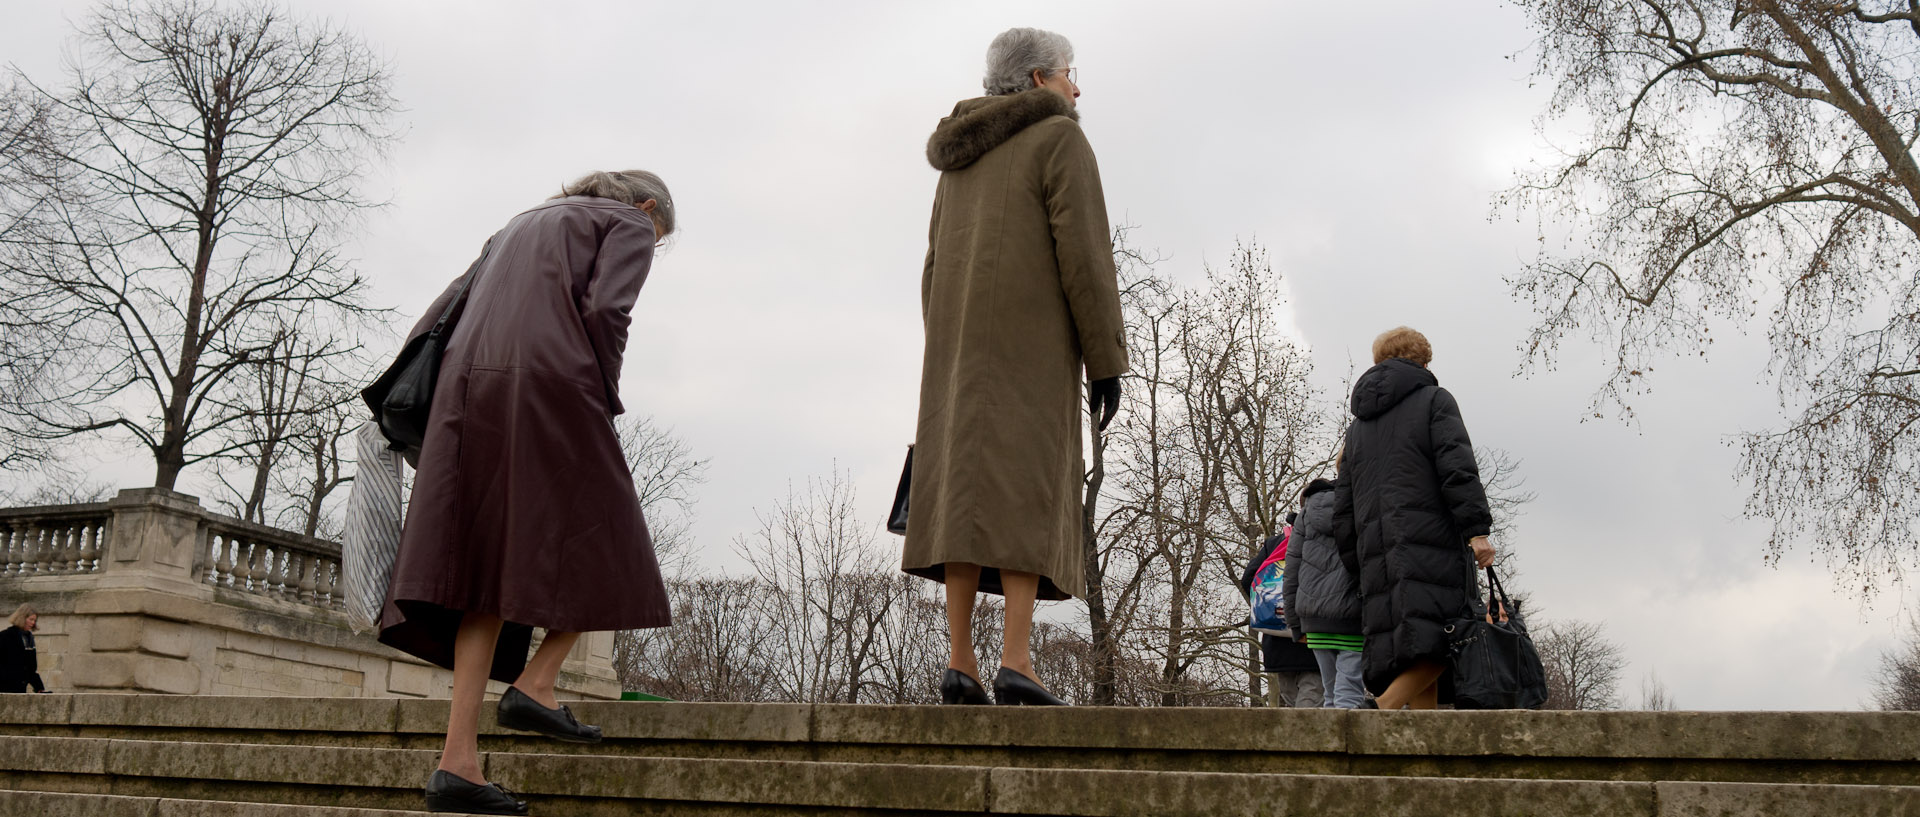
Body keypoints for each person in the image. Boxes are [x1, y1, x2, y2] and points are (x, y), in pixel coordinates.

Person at [380, 171, 676, 815]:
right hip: (551, 383)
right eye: (658, 235)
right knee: (612, 540)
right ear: (647, 207)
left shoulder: (517, 222)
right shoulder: (624, 222)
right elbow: (606, 310)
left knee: (483, 575)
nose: (651, 243)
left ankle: (457, 763)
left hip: (467, 390)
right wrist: (602, 389)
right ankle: (536, 683)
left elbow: (441, 310)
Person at [904, 27, 1128, 707]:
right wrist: (1105, 360)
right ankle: (1017, 659)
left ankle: (960, 661)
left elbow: (933, 265)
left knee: (961, 500)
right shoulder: (1059, 139)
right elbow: (1084, 256)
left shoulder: (959, 158)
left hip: (956, 354)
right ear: (1037, 80)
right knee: (1025, 490)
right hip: (1031, 348)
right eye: (1069, 73)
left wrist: (945, 341)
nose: (1076, 86)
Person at [1333, 327, 1495, 711]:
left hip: (1377, 555)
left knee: (1415, 644)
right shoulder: (1434, 400)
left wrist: (1358, 563)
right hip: (1430, 543)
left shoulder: (1357, 429)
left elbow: (1344, 508)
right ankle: (1380, 710)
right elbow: (1457, 469)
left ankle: (1426, 753)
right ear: (1422, 361)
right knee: (1448, 637)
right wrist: (1477, 532)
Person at [1284, 477, 1367, 708]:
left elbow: (1292, 570)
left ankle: (1329, 743)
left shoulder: (1305, 514)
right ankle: (1344, 744)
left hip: (1314, 619)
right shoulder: (1362, 507)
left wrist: (1295, 624)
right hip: (1352, 615)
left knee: (1330, 695)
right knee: (1349, 694)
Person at [1240, 524, 1321, 708]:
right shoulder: (1323, 541)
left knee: (1293, 707)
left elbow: (1248, 579)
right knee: (1311, 710)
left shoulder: (1277, 543)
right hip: (1313, 641)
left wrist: (1269, 609)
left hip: (1278, 643)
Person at [0, 604, 46, 694]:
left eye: (35, 620)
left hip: (20, 690)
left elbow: (30, 668)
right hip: (4, 688)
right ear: (22, 618)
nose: (33, 623)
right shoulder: (5, 636)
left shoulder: (29, 638)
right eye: (31, 619)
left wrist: (39, 687)